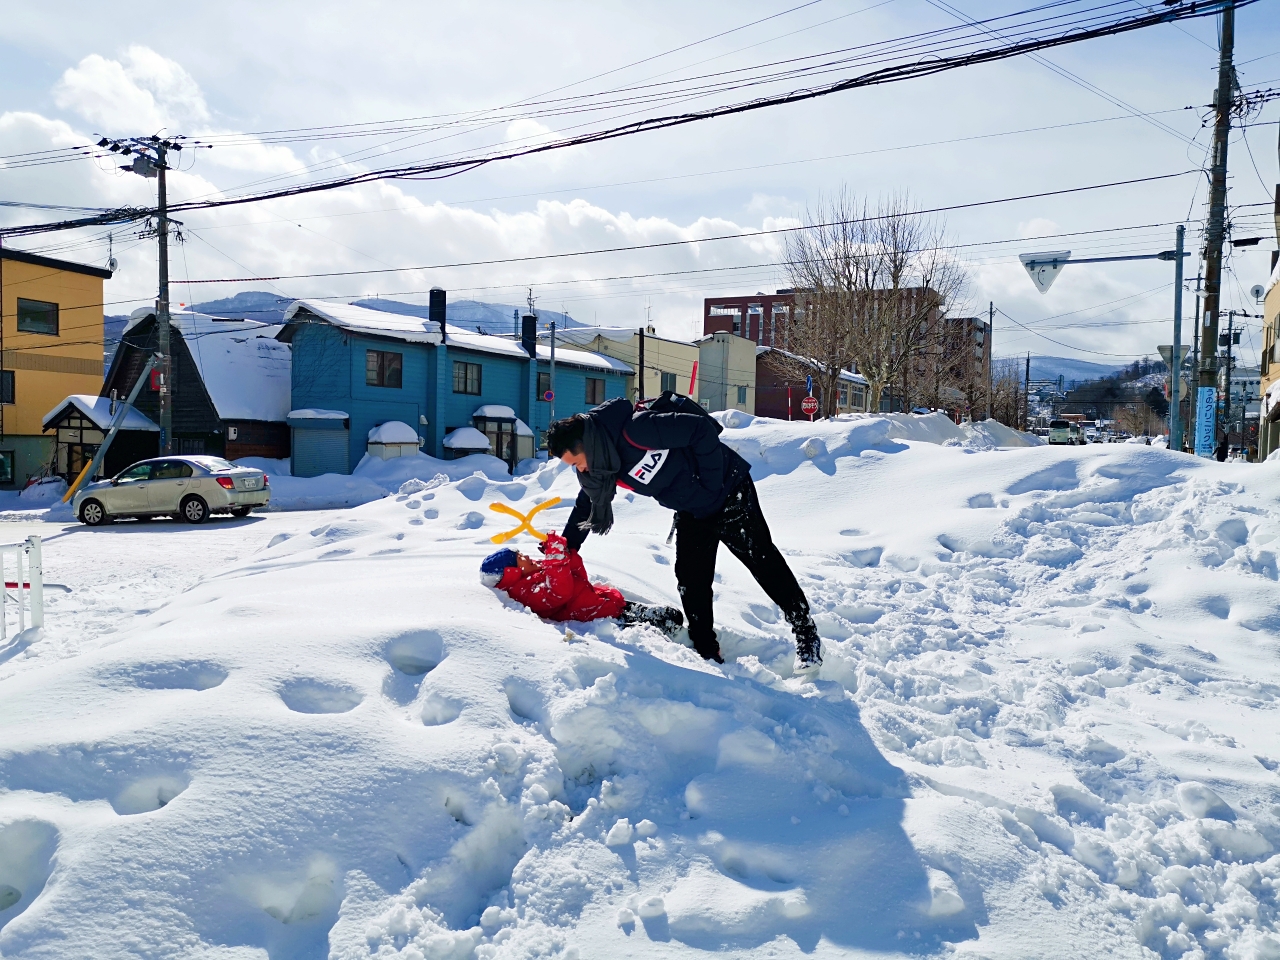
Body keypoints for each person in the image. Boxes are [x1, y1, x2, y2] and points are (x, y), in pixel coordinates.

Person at [544, 397, 822, 670]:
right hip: (692, 511)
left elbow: (701, 430)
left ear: (588, 444)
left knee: (761, 560)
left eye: (576, 461)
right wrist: (566, 548)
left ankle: (805, 630)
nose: (580, 469)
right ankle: (706, 650)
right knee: (691, 579)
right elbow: (586, 504)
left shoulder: (636, 430)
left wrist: (710, 485)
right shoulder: (604, 467)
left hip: (729, 491)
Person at [481, 533, 684, 633]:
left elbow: (578, 578)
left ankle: (652, 617)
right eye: (520, 557)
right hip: (594, 616)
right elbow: (560, 592)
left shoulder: (541, 569)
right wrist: (556, 561)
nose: (527, 556)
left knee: (669, 615)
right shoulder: (526, 591)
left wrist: (568, 556)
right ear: (512, 572)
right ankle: (658, 633)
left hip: (600, 601)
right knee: (650, 628)